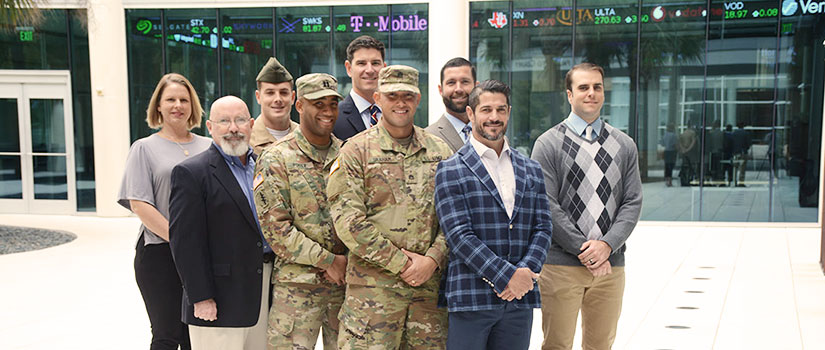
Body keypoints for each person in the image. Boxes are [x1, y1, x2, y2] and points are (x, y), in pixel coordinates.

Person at [327, 65, 452, 349]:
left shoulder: (440, 152)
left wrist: (432, 260)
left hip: (426, 302)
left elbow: (455, 218)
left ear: (418, 99)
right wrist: (403, 264)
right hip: (373, 301)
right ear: (377, 99)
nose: (400, 103)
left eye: (407, 96)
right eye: (392, 95)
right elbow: (349, 223)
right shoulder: (355, 151)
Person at [531, 63, 642, 350]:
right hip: (560, 266)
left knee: (601, 346)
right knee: (557, 345)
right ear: (569, 95)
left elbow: (632, 202)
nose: (591, 93)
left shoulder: (624, 145)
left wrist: (607, 246)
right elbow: (546, 204)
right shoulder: (548, 143)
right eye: (583, 87)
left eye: (597, 87)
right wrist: (588, 251)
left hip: (610, 268)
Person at [434, 80, 552, 350]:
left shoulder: (531, 168)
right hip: (471, 299)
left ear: (509, 112)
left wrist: (524, 274)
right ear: (471, 113)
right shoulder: (450, 169)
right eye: (486, 110)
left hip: (519, 301)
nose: (494, 117)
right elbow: (459, 237)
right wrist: (507, 276)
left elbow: (543, 228)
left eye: (501, 109)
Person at [254, 73, 348, 349]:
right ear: (300, 105)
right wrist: (329, 261)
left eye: (333, 104)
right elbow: (277, 230)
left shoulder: (347, 154)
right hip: (297, 290)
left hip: (345, 287)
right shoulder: (276, 158)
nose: (328, 111)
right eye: (319, 104)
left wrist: (345, 262)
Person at [168, 96, 271, 350]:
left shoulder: (265, 167)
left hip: (265, 292)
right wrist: (201, 297)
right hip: (219, 300)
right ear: (210, 127)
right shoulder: (191, 173)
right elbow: (185, 243)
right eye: (224, 121)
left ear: (252, 124)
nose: (233, 128)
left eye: (240, 120)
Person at [118, 73, 211, 350]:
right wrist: (181, 240)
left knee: (198, 335)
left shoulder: (209, 147)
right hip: (160, 254)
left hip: (203, 254)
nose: (177, 105)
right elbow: (140, 204)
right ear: (158, 105)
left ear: (193, 106)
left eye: (184, 100)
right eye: (170, 100)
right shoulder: (144, 148)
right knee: (167, 334)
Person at [332, 35, 387, 141]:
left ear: (384, 68)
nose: (369, 70)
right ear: (349, 68)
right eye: (361, 63)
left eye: (375, 63)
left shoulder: (396, 113)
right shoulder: (334, 117)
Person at [425, 57, 477, 152]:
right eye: (451, 83)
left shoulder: (491, 133)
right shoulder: (426, 139)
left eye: (465, 82)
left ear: (476, 87)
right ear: (440, 90)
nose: (458, 89)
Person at [251, 57, 299, 155]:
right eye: (270, 93)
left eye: (284, 93)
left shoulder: (305, 137)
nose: (278, 99)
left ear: (293, 97)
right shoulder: (247, 140)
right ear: (258, 97)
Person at [731, 122, 752, 186]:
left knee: (735, 167)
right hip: (743, 152)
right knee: (742, 168)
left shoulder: (733, 133)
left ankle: (734, 180)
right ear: (743, 126)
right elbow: (748, 143)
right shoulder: (746, 133)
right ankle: (741, 182)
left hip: (735, 152)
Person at [660, 123, 677, 187]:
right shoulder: (674, 135)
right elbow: (675, 144)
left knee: (667, 166)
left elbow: (662, 144)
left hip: (666, 151)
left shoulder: (664, 135)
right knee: (671, 166)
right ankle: (670, 181)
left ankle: (667, 180)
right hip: (672, 152)